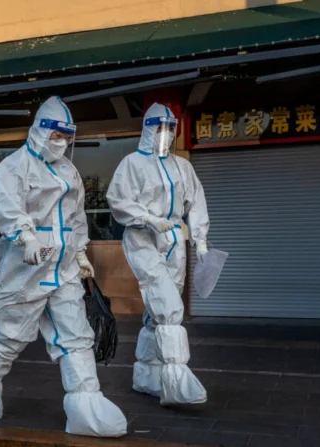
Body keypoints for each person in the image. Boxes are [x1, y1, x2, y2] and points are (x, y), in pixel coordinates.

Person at [0, 97, 127, 438]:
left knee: (76, 336)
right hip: (25, 270)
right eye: (56, 134)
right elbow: (10, 210)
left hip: (64, 268)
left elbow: (76, 217)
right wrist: (27, 239)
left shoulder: (69, 171)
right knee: (8, 335)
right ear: (39, 130)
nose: (61, 142)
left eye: (67, 136)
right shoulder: (12, 168)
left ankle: (86, 404)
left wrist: (81, 254)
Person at [106, 103, 210, 405]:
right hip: (142, 237)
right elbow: (117, 199)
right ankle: (176, 379)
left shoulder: (182, 166)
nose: (166, 134)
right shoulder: (132, 164)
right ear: (149, 130)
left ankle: (147, 376)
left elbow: (196, 201)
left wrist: (200, 240)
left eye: (170, 129)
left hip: (175, 238)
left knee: (159, 312)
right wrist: (149, 218)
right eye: (161, 128)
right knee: (168, 306)